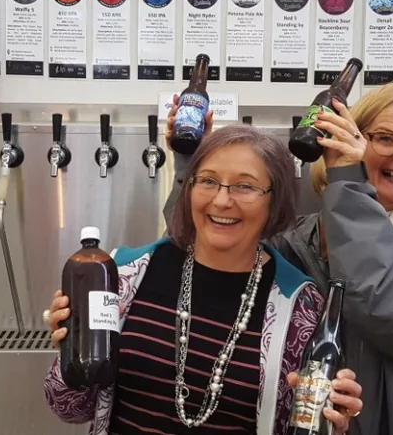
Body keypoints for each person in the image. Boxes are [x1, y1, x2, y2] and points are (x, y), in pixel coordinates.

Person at [163, 82, 393, 435]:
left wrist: (349, 182)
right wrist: (194, 164)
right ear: (343, 140)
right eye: (385, 138)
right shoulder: (299, 240)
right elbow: (202, 259)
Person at [42, 125, 364, 435]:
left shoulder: (300, 307)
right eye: (208, 181)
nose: (222, 201)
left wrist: (330, 422)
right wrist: (72, 355)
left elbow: (305, 422)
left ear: (273, 200)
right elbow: (69, 408)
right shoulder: (123, 275)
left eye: (245, 186)